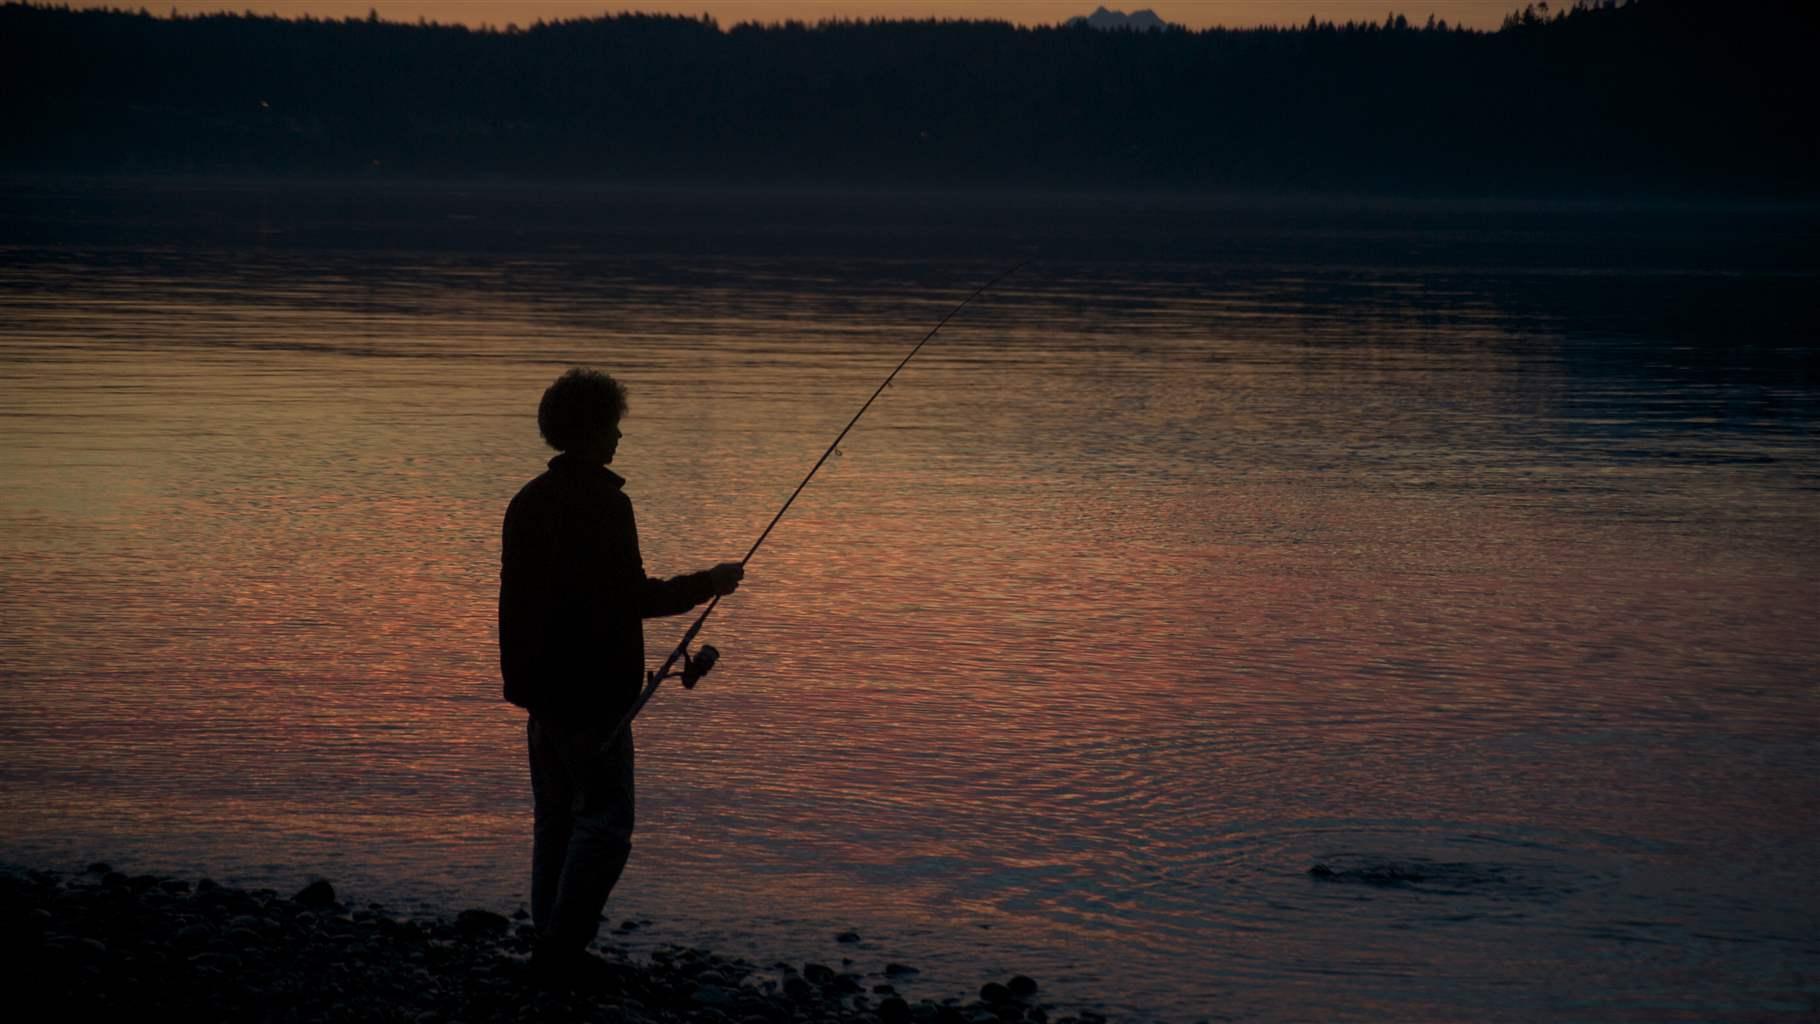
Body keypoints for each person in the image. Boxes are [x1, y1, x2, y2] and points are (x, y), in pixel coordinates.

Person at [499, 367, 741, 983]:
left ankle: (548, 938)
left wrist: (525, 683)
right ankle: (561, 950)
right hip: (594, 695)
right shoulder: (605, 504)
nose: (618, 439)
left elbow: (518, 602)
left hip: (541, 693)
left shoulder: (527, 501)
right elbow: (630, 597)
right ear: (588, 431)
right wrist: (707, 584)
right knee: (605, 825)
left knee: (555, 819)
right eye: (611, 426)